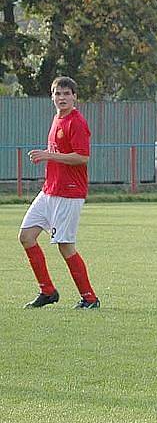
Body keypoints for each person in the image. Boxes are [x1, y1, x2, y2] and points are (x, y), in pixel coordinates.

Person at [19, 76, 100, 310]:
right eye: (58, 94)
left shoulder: (77, 122)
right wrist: (46, 154)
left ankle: (90, 298)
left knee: (65, 245)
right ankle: (47, 291)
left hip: (69, 193)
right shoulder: (57, 118)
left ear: (75, 96)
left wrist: (49, 155)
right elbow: (59, 152)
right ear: (52, 97)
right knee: (26, 237)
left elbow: (82, 157)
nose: (62, 98)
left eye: (66, 93)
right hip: (49, 191)